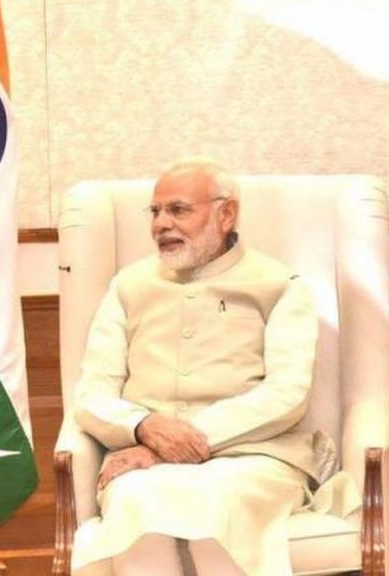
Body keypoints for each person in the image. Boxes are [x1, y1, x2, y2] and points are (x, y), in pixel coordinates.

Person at [70, 161, 348, 575]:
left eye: (178, 210)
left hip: (254, 458)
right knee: (136, 502)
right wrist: (145, 427)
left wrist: (173, 443)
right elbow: (92, 394)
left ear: (226, 214)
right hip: (144, 463)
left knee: (216, 506)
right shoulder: (128, 286)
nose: (161, 224)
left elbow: (286, 394)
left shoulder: (280, 285)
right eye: (155, 212)